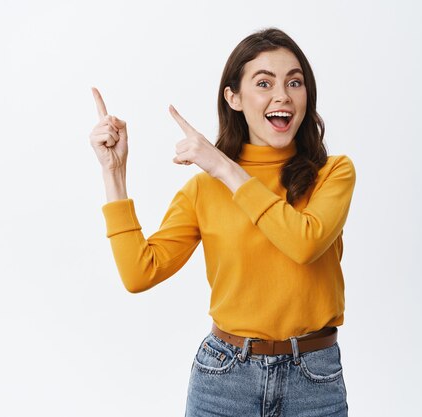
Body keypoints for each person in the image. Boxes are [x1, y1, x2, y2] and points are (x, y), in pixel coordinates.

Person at [90, 27, 355, 417]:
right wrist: (114, 173)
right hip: (224, 378)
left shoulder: (333, 173)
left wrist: (222, 166)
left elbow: (304, 242)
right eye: (264, 82)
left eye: (294, 82)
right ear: (234, 97)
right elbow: (139, 273)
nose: (282, 95)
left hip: (314, 380)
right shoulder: (204, 189)